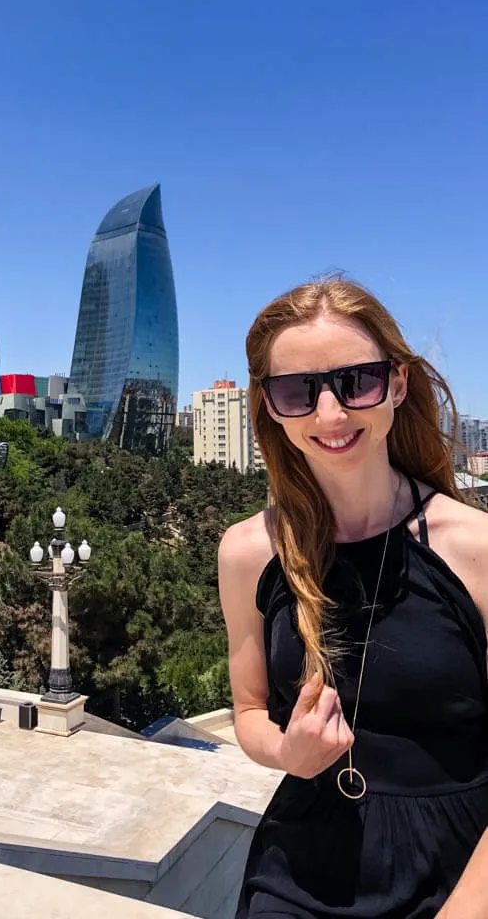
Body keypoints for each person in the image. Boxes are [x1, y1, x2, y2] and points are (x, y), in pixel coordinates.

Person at [219, 277, 488, 919]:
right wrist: (290, 752)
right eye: (298, 392)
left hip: (456, 872)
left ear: (396, 385)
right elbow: (249, 708)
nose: (331, 415)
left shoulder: (475, 551)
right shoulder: (249, 551)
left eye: (357, 381)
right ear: (271, 409)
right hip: (300, 871)